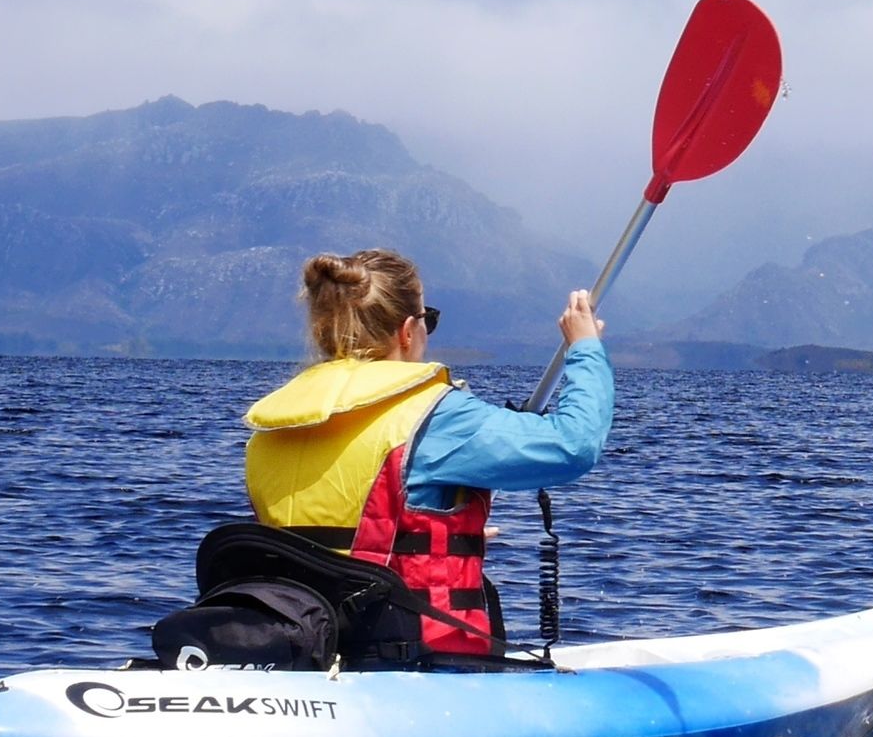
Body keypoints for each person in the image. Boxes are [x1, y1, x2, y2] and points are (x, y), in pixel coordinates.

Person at [239, 248, 611, 662]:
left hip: (307, 648)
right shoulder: (435, 416)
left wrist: (435, 533)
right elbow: (575, 444)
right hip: (412, 659)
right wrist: (585, 349)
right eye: (427, 319)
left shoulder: (279, 421)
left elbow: (342, 533)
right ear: (406, 330)